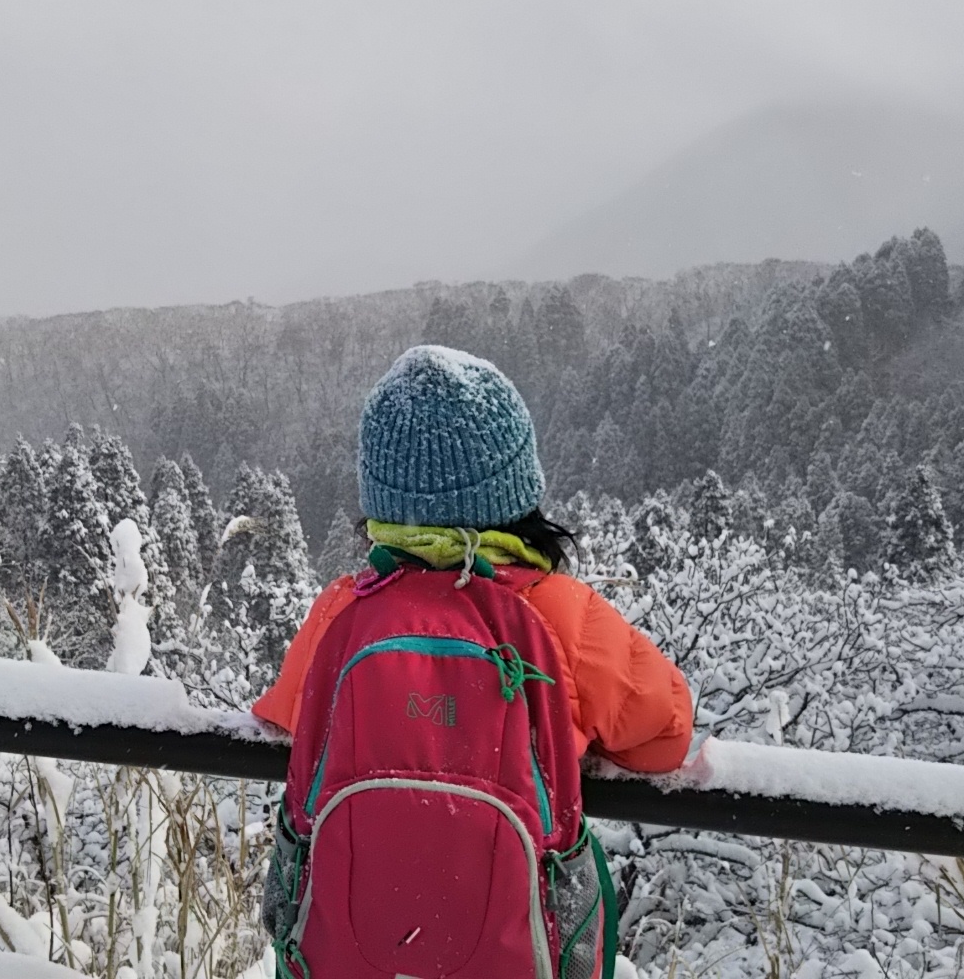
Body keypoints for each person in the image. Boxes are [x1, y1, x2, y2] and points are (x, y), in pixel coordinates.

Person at [254, 345, 692, 979]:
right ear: (520, 491)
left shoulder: (342, 614)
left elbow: (288, 719)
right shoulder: (562, 616)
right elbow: (667, 733)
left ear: (379, 502)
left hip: (355, 958)